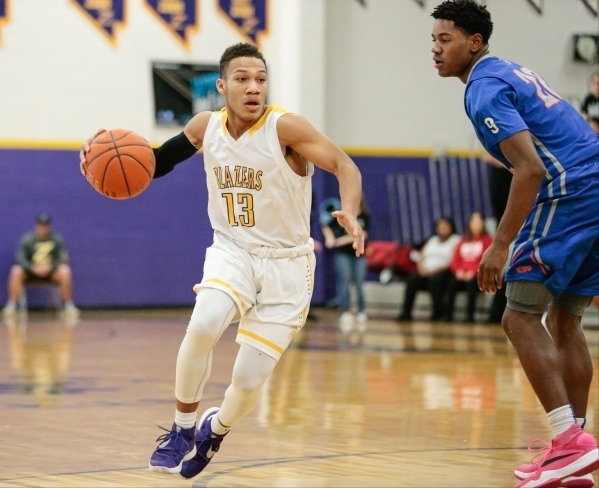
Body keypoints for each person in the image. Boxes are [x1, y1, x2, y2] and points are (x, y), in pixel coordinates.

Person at [79, 43, 364, 479]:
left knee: (248, 383)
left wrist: (350, 211)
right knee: (203, 324)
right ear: (222, 86)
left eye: (261, 80)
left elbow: (345, 165)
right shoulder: (204, 126)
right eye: (242, 79)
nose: (253, 88)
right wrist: (99, 160)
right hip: (233, 250)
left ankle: (215, 430)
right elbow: (153, 164)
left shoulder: (285, 128)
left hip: (288, 265)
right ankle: (181, 428)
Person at [431, 2, 599, 487]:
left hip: (570, 191)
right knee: (565, 320)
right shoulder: (510, 71)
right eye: (434, 42)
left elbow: (530, 169)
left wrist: (500, 244)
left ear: (474, 42)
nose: (436, 51)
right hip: (593, 183)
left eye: (446, 40)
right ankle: (574, 453)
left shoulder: (484, 88)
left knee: (518, 315)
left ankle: (569, 442)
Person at [2, 213, 79, 320]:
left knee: (65, 271)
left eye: (46, 225)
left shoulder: (56, 240)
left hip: (50, 273)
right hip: (31, 272)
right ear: (37, 226)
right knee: (16, 271)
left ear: (49, 226)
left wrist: (50, 267)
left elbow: (62, 258)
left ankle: (67, 305)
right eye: (41, 225)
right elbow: (20, 258)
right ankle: (12, 305)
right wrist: (32, 268)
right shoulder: (27, 239)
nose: (43, 228)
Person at [322, 193, 370, 333]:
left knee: (359, 283)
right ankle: (345, 311)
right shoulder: (342, 216)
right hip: (343, 255)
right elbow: (326, 224)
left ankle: (361, 311)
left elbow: (362, 235)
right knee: (344, 282)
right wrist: (329, 237)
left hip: (359, 254)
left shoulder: (364, 217)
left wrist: (339, 241)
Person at [396, 217, 459, 322]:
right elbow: (421, 255)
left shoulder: (456, 240)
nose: (442, 228)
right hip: (426, 271)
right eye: (440, 226)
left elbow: (454, 260)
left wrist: (433, 271)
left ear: (451, 227)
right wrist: (421, 268)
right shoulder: (432, 240)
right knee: (412, 280)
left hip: (443, 271)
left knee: (435, 280)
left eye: (445, 226)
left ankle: (438, 312)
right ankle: (406, 312)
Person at [444, 211, 492, 323]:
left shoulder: (488, 240)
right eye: (473, 222)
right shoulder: (463, 240)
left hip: (477, 275)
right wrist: (458, 271)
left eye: (478, 222)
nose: (476, 225)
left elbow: (486, 261)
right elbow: (455, 258)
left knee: (472, 283)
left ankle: (470, 315)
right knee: (451, 283)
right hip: (461, 273)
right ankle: (447, 315)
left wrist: (474, 272)